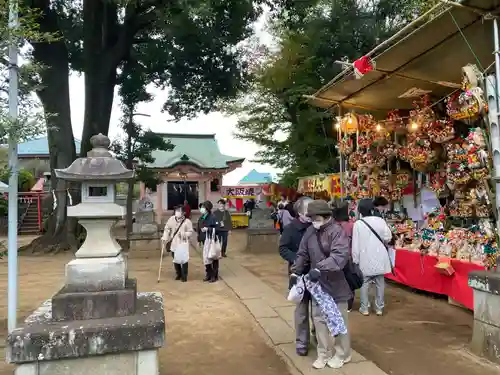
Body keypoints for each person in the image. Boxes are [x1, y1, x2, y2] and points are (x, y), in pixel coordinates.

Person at [293, 200, 352, 369]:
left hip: (336, 284)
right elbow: (302, 253)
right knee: (319, 319)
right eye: (311, 218)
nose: (313, 221)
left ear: (326, 216)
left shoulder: (337, 232)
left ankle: (342, 354)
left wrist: (319, 268)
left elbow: (339, 256)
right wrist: (295, 271)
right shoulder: (311, 231)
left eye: (316, 217)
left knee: (338, 320)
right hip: (317, 285)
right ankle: (323, 353)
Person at [279, 197, 313, 356]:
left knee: (320, 310)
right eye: (308, 210)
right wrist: (297, 259)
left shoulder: (318, 226)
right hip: (299, 274)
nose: (311, 213)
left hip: (318, 273)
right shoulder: (291, 228)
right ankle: (302, 342)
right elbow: (283, 249)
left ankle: (319, 336)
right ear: (300, 212)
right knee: (301, 310)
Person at [352, 198, 393, 316]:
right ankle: (379, 308)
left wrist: (355, 260)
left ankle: (364, 308)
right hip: (380, 256)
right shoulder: (380, 221)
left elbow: (355, 245)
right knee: (380, 283)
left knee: (364, 283)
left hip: (365, 258)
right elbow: (388, 238)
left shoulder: (358, 224)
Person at [332, 201, 354, 311]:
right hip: (348, 256)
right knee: (349, 279)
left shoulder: (332, 225)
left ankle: (337, 301)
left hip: (335, 256)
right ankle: (349, 304)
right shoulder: (351, 225)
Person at [162, 205, 193, 282]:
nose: (177, 212)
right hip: (174, 243)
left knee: (184, 260)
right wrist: (165, 236)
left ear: (184, 213)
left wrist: (184, 234)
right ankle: (178, 273)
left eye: (179, 211)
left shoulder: (187, 222)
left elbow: (190, 232)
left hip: (183, 243)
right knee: (176, 259)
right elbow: (167, 228)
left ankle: (184, 275)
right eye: (176, 210)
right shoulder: (172, 219)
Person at [198, 200, 220, 282]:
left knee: (213, 257)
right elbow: (199, 229)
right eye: (201, 207)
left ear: (207, 208)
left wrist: (208, 229)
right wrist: (199, 240)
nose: (201, 209)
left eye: (203, 207)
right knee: (206, 259)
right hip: (204, 240)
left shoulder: (213, 217)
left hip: (211, 240)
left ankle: (214, 276)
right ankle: (208, 274)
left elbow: (217, 229)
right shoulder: (201, 217)